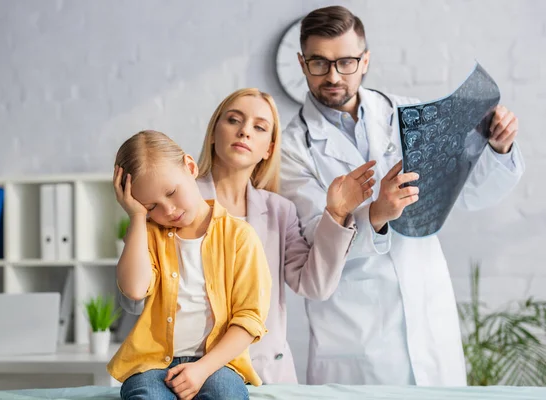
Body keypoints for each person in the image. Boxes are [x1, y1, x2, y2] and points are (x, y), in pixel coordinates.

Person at [280, 6, 525, 386]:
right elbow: (313, 237)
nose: (333, 76)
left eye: (345, 62)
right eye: (319, 62)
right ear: (301, 62)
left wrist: (498, 148)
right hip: (353, 335)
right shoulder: (290, 147)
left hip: (428, 315)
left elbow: (471, 193)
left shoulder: (410, 115)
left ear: (365, 61)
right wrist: (374, 215)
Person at [119, 88, 377, 384]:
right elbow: (134, 302)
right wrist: (138, 218)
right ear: (214, 132)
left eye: (259, 127)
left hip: (265, 371)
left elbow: (314, 286)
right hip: (185, 372)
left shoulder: (280, 211)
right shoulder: (171, 202)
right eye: (233, 120)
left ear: (269, 148)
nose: (244, 132)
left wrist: (336, 214)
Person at [108, 130, 271, 400]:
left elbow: (250, 319)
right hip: (151, 365)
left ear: (191, 167)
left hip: (217, 364)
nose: (168, 210)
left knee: (226, 395)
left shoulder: (239, 236)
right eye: (151, 206)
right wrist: (137, 217)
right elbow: (135, 289)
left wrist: (201, 369)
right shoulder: (146, 234)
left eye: (172, 192)